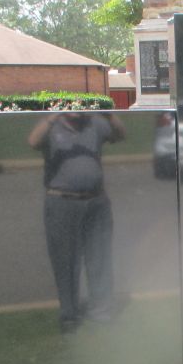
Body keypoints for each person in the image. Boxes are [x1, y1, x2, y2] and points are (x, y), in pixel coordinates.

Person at [28, 112, 125, 332]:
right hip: (61, 201)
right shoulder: (52, 126)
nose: (76, 106)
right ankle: (69, 314)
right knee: (65, 261)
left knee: (99, 257)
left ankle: (101, 310)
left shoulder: (95, 124)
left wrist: (109, 114)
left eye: (79, 101)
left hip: (96, 201)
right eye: (70, 101)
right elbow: (33, 141)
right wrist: (56, 113)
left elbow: (120, 135)